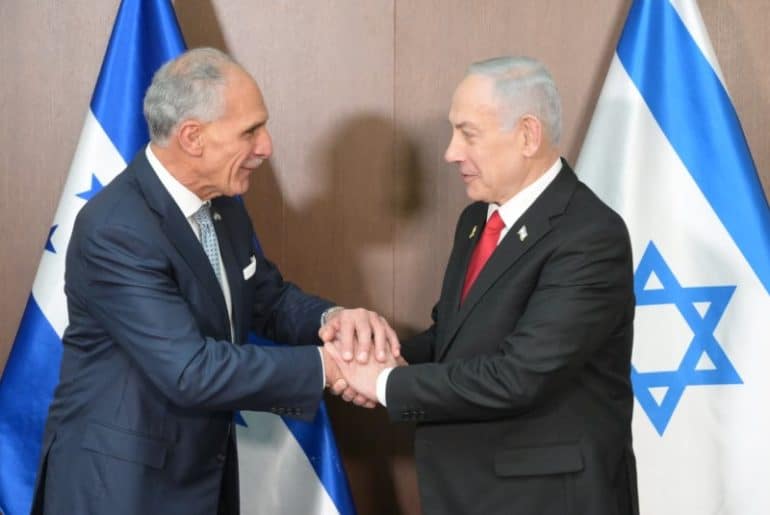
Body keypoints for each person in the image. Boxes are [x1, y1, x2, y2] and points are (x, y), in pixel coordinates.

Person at [31, 47, 396, 515]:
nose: (266, 147)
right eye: (250, 131)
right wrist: (332, 367)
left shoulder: (222, 203)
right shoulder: (117, 229)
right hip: (119, 488)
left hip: (200, 476)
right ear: (192, 138)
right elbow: (190, 370)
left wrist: (336, 320)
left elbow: (267, 298)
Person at [324, 56, 639, 515]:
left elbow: (519, 377)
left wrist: (387, 384)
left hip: (546, 500)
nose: (451, 152)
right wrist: (378, 357)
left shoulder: (589, 236)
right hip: (469, 489)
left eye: (468, 134)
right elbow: (453, 338)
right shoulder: (477, 220)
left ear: (527, 135)